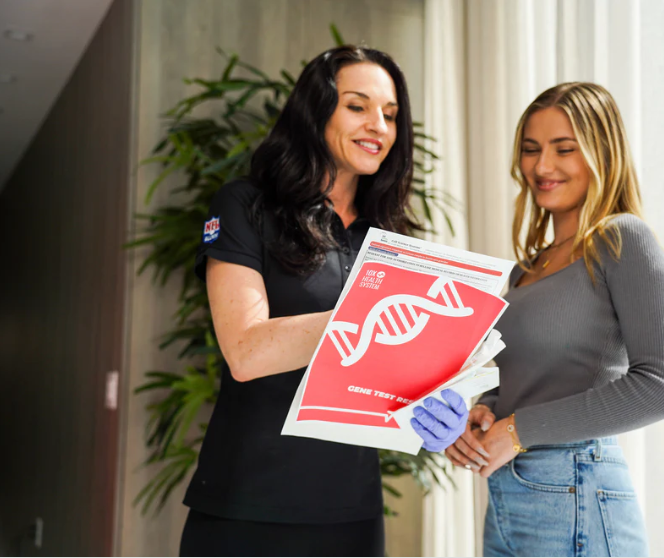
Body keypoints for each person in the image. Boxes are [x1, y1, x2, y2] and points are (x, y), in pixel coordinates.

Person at [178, 45, 466, 558]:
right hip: (247, 506)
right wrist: (372, 321)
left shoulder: (392, 237)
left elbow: (391, 376)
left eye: (391, 114)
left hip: (351, 514)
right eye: (358, 106)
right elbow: (246, 352)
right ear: (316, 110)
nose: (378, 124)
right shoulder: (245, 205)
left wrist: (440, 403)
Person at [444, 82, 664, 557]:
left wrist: (516, 430)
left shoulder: (623, 241)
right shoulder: (526, 269)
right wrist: (489, 409)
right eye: (531, 150)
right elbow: (534, 378)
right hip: (509, 496)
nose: (542, 167)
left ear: (602, 152)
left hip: (576, 487)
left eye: (564, 149)